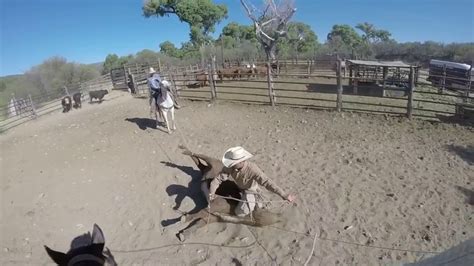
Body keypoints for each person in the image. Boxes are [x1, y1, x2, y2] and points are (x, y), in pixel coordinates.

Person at [209, 146, 296, 217]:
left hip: (250, 191)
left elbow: (267, 182)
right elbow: (218, 179)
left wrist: (283, 194)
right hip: (240, 187)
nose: (231, 164)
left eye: (233, 163)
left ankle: (256, 201)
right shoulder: (230, 167)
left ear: (241, 161)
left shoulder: (253, 169)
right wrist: (211, 193)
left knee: (240, 213)